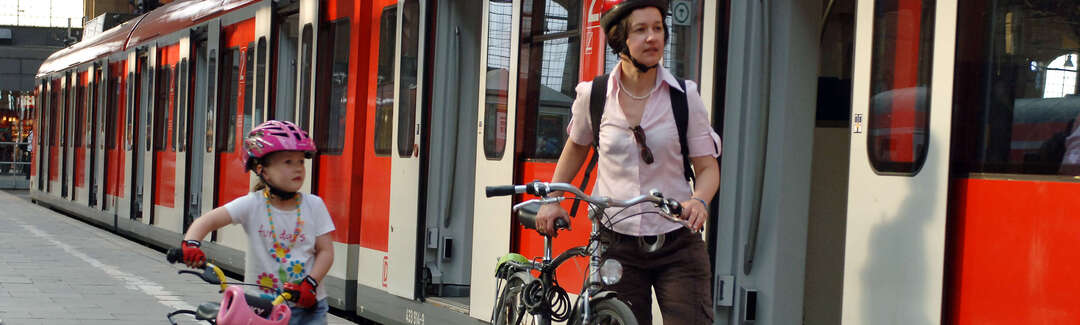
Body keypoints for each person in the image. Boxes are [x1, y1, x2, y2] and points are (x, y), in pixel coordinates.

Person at [534, 0, 721, 324]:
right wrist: (551, 200)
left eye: (658, 28)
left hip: (675, 241)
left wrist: (699, 200)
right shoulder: (593, 96)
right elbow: (576, 150)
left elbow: (707, 168)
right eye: (641, 30)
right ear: (620, 40)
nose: (652, 38)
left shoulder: (684, 97)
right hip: (616, 242)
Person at [179, 120, 335, 325]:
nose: (298, 168)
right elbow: (206, 221)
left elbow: (325, 251)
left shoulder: (314, 205)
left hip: (307, 306)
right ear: (263, 170)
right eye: (288, 162)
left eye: (301, 162)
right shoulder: (252, 204)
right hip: (262, 306)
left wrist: (311, 283)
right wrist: (191, 244)